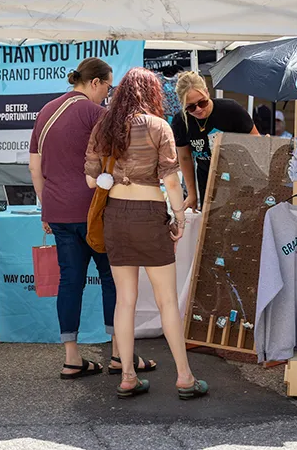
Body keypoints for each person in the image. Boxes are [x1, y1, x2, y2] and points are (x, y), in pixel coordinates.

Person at [85, 67, 207, 400]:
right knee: (167, 300)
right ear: (151, 94)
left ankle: (127, 376)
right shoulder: (159, 127)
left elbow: (91, 182)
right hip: (150, 216)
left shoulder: (104, 127)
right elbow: (171, 181)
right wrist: (179, 217)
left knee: (124, 300)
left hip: (116, 216)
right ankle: (184, 377)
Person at [29, 58, 155, 379]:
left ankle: (72, 358)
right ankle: (119, 355)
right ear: (95, 83)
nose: (108, 95)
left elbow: (34, 167)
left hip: (58, 212)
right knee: (113, 279)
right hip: (95, 212)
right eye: (107, 87)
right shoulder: (95, 113)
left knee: (70, 281)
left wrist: (47, 207)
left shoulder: (45, 113)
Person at [172, 72, 259, 211]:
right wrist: (192, 194)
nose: (199, 109)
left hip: (240, 180)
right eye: (191, 107)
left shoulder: (231, 110)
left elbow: (257, 143)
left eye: (202, 102)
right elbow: (184, 157)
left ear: (207, 92)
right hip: (207, 182)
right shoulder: (180, 121)